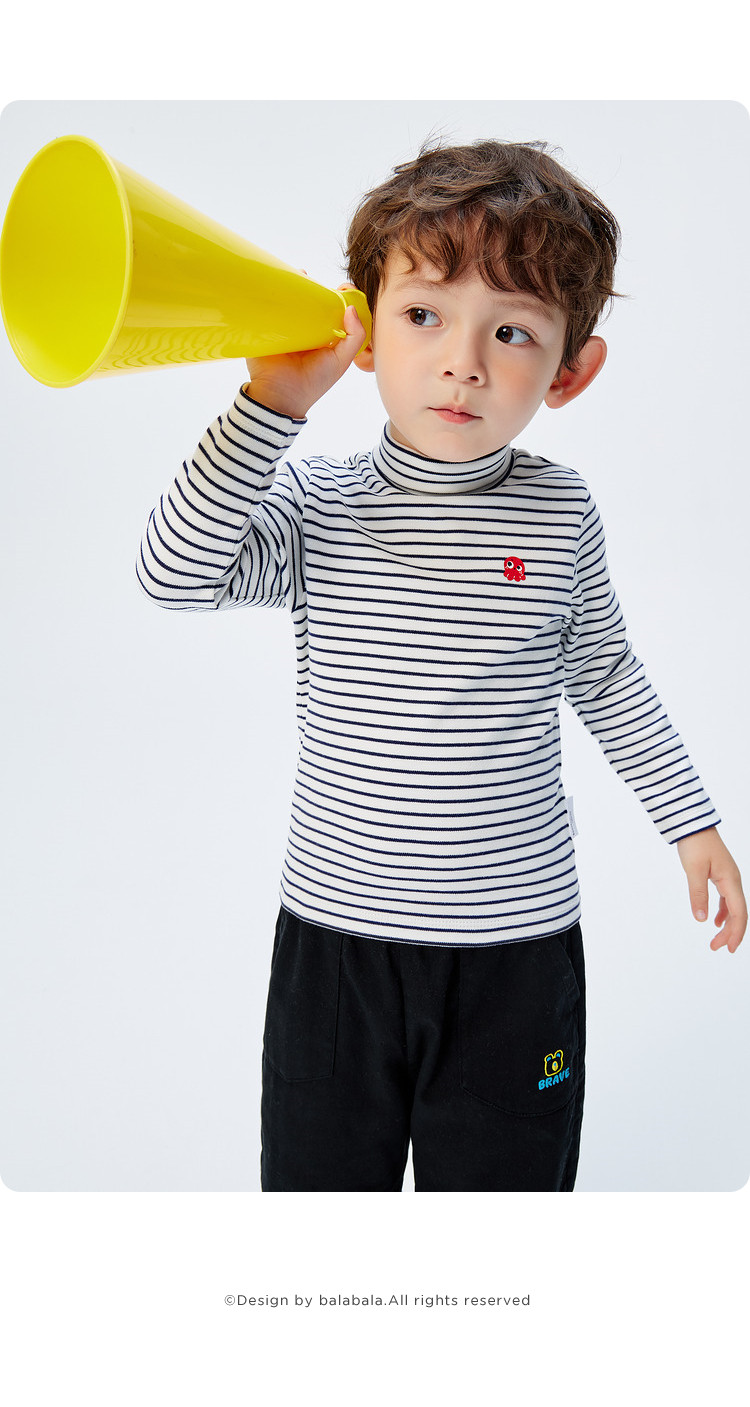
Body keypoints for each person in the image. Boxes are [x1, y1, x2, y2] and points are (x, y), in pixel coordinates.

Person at [137, 138, 746, 1192]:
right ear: (365, 330)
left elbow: (607, 676)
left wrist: (691, 823)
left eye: (511, 331)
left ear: (571, 371)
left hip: (516, 955)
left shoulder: (560, 514)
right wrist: (270, 407)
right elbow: (172, 573)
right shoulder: (320, 504)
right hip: (335, 946)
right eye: (423, 315)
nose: (463, 361)